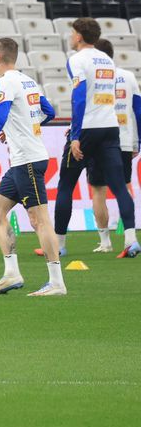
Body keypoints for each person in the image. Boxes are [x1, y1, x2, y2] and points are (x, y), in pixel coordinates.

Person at [0, 37, 64, 296]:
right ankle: (12, 273)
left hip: (28, 160)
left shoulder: (5, 82)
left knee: (39, 221)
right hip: (23, 160)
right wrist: (24, 128)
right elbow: (49, 112)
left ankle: (56, 282)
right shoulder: (28, 80)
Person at [52, 18, 138, 259]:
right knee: (119, 186)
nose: (70, 36)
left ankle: (58, 244)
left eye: (72, 32)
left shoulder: (77, 60)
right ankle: (131, 239)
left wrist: (76, 136)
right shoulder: (107, 60)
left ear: (79, 35)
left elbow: (79, 97)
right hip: (111, 127)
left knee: (66, 185)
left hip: (88, 127)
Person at [87, 39, 141, 253]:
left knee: (98, 190)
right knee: (124, 187)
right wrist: (139, 139)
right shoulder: (128, 77)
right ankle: (130, 238)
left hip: (97, 138)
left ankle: (105, 242)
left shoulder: (93, 76)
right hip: (125, 139)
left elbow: (82, 105)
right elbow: (138, 109)